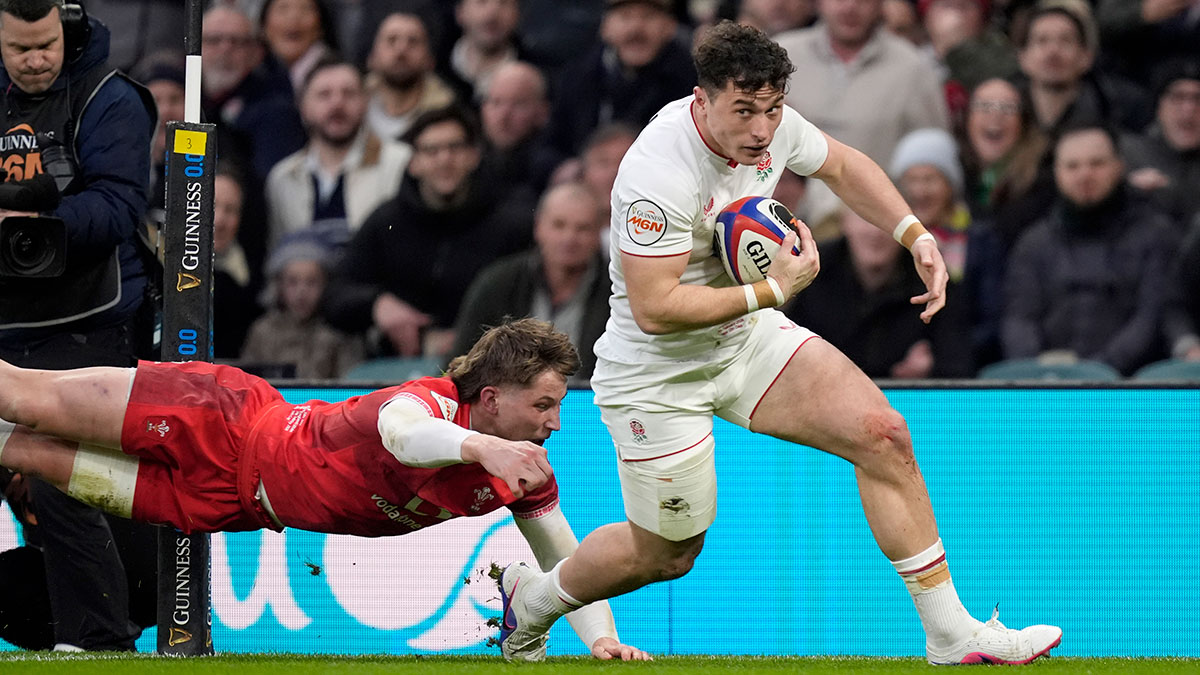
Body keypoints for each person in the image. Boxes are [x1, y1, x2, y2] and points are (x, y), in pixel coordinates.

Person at [493, 21, 1061, 665]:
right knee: (669, 553)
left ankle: (951, 633)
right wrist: (774, 291)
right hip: (659, 371)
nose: (763, 130)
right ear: (701, 100)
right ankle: (533, 601)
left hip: (745, 339)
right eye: (744, 111)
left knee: (883, 434)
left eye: (772, 109)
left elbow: (843, 165)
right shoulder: (658, 171)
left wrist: (913, 233)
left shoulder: (771, 121)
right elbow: (654, 309)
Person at [0, 318, 650, 661]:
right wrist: (485, 447)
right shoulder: (423, 402)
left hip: (222, 504)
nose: (554, 422)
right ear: (491, 398)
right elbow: (403, 435)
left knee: (21, 449)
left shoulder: (518, 471)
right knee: (21, 396)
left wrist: (600, 639)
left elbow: (563, 562)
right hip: (215, 415)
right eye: (543, 404)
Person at [0, 0, 158, 652]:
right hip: (9, 325)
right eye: (18, 49)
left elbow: (121, 206)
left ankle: (97, 640)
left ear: (63, 33)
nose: (34, 60)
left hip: (91, 326)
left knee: (62, 475)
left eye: (44, 46)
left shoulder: (110, 99)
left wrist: (36, 229)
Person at [323, 105, 534, 359]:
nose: (444, 159)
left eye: (455, 148)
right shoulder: (386, 221)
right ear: (414, 163)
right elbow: (335, 295)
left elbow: (531, 300)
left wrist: (470, 338)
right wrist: (376, 304)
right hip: (399, 371)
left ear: (474, 156)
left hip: (491, 364)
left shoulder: (511, 222)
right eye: (431, 151)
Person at [1001, 124, 1177, 375]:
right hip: (1045, 384)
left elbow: (1150, 318)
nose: (1084, 174)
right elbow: (1019, 318)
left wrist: (1097, 373)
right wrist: (1036, 373)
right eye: (1072, 166)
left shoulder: (1155, 235)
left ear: (1119, 166)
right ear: (1057, 172)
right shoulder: (1034, 242)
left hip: (1131, 391)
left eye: (1097, 163)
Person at [451, 183, 610, 385]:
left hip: (589, 408)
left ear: (599, 234)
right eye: (559, 225)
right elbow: (461, 364)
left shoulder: (618, 290)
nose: (569, 238)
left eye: (582, 228)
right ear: (538, 227)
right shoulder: (498, 283)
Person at [265, 58, 412, 251]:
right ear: (303, 107)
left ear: (365, 102)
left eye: (349, 94)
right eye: (324, 95)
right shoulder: (282, 178)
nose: (337, 103)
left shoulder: (399, 161)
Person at [545, 0, 695, 157]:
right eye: (625, 17)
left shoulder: (690, 81)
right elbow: (552, 142)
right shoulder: (578, 76)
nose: (636, 28)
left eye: (648, 17)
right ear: (605, 27)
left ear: (670, 27)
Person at [240, 233, 364, 378]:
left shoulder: (339, 333)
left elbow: (350, 385)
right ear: (279, 286)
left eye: (312, 282)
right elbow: (247, 383)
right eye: (292, 282)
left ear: (326, 284)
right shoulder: (262, 332)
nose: (301, 292)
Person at [363, 12, 459, 142]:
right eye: (391, 40)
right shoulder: (353, 104)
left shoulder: (448, 112)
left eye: (413, 41)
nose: (401, 50)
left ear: (430, 60)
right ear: (371, 57)